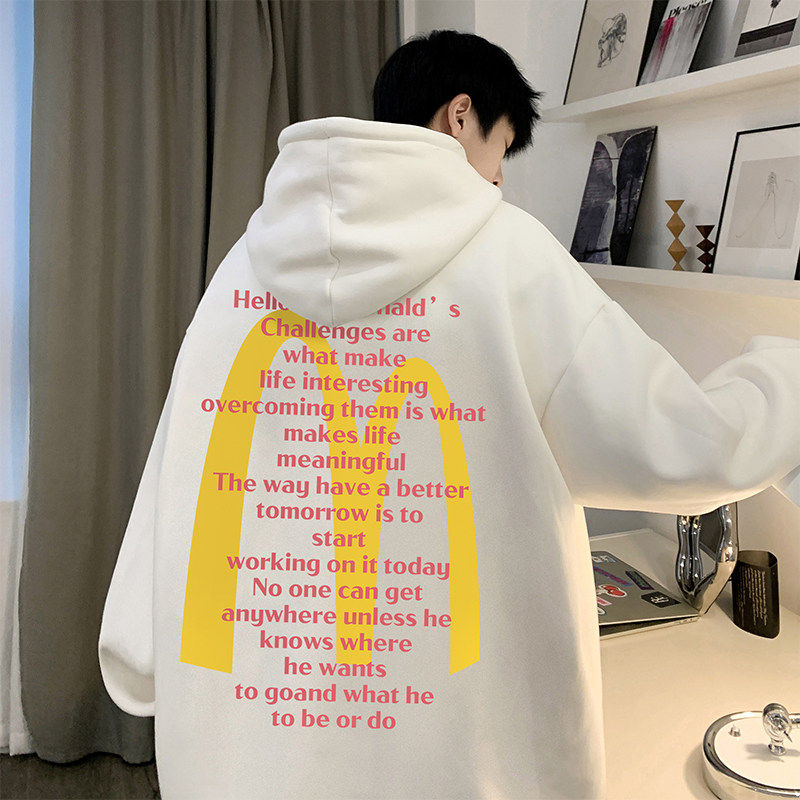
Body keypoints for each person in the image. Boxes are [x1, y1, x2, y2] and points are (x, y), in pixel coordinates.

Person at [99, 30, 799, 799]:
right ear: (460, 115)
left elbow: (181, 473)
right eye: (500, 151)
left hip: (252, 760)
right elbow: (677, 446)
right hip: (466, 760)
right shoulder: (511, 257)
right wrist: (783, 378)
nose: (497, 180)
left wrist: (142, 642)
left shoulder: (242, 270)